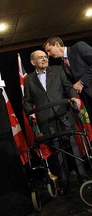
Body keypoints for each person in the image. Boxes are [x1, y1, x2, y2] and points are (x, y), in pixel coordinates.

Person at [23, 50, 89, 195]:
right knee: (57, 152)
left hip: (63, 114)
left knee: (73, 148)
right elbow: (27, 101)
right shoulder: (28, 80)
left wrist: (74, 97)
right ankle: (64, 184)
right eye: (40, 58)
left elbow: (68, 87)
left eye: (45, 57)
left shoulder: (58, 70)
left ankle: (84, 180)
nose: (45, 59)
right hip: (46, 120)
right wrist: (31, 113)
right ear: (33, 62)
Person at [43, 36, 92, 120]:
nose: (48, 54)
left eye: (49, 50)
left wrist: (81, 82)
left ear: (57, 44)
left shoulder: (78, 47)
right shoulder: (62, 66)